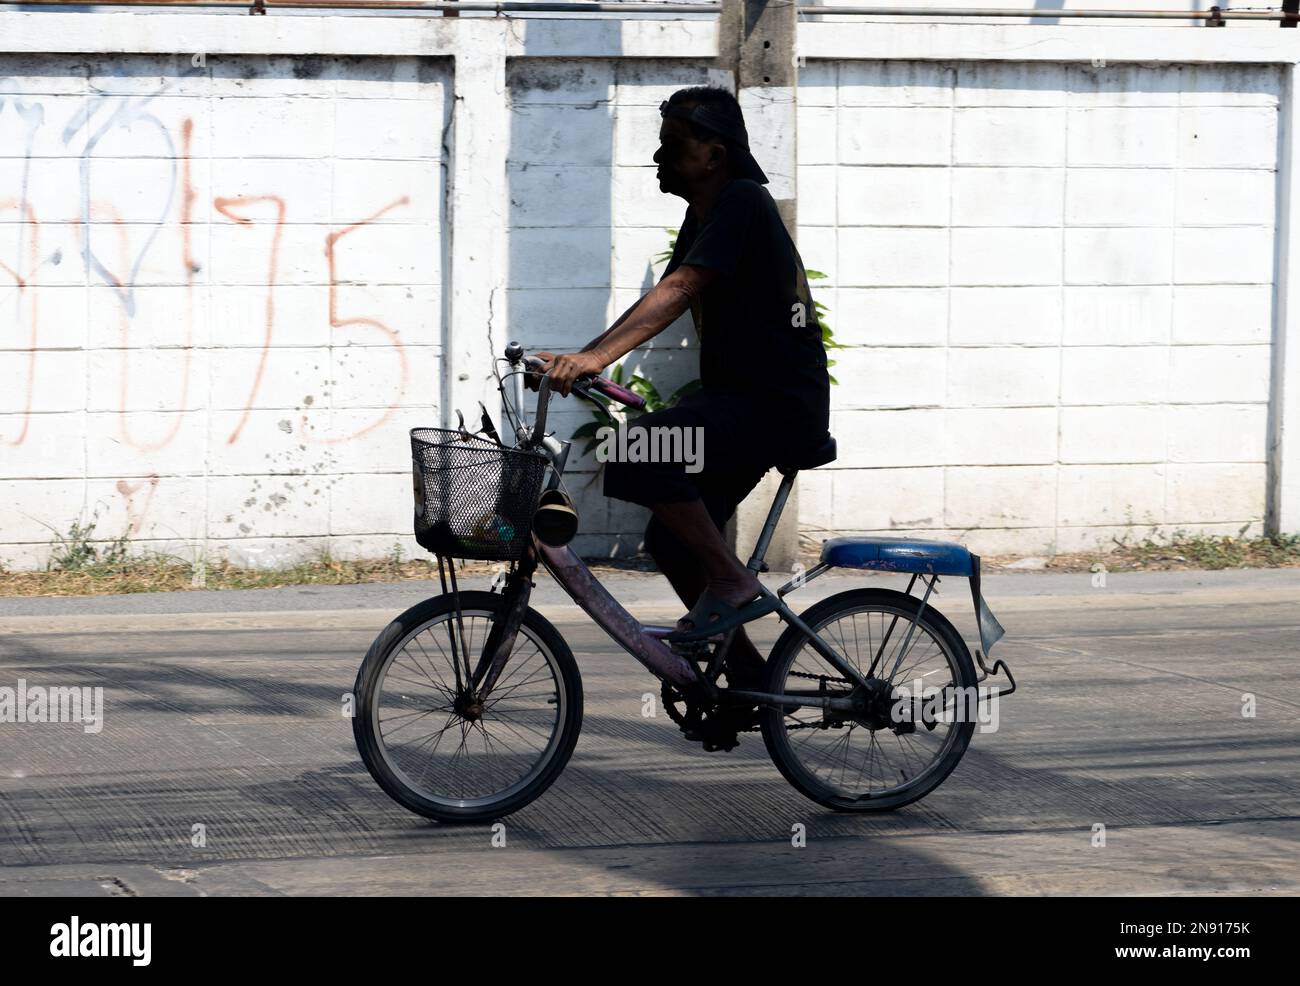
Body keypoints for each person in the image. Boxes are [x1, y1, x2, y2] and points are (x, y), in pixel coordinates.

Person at [534, 85, 831, 697]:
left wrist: (590, 358)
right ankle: (747, 682)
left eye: (672, 146)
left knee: (642, 451)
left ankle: (731, 580)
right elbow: (666, 293)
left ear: (714, 155)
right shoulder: (708, 212)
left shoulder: (744, 202)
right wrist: (582, 360)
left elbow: (683, 289)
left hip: (773, 405)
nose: (658, 158)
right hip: (739, 400)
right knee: (668, 539)